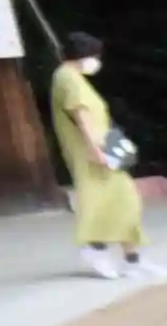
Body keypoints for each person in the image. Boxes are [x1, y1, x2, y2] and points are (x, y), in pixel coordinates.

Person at [51, 32, 157, 279]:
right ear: (84, 55)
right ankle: (95, 248)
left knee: (125, 200)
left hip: (104, 148)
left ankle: (132, 259)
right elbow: (80, 115)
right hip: (92, 152)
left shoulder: (72, 78)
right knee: (102, 201)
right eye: (96, 56)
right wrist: (95, 148)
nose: (97, 62)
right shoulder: (68, 78)